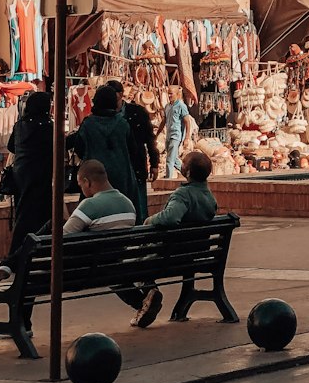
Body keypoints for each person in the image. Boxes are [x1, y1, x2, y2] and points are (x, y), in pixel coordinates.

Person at [65, 159, 162, 328]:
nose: (82, 189)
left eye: (81, 185)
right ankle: (144, 300)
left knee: (109, 271)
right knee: (114, 272)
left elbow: (64, 238)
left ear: (87, 182)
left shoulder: (89, 205)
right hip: (117, 261)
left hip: (89, 268)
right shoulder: (128, 203)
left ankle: (141, 303)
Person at [0, 90, 54, 283]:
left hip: (21, 177)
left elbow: (12, 147)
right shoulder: (48, 127)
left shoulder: (21, 125)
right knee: (42, 220)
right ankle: (16, 260)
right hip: (41, 178)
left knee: (24, 218)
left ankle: (15, 259)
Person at [66, 85, 137, 203]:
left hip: (94, 177)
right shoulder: (123, 124)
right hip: (121, 175)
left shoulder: (88, 124)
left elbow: (79, 148)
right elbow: (132, 150)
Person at [106, 80, 159, 223]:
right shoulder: (103, 116)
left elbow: (150, 139)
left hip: (135, 165)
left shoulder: (137, 112)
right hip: (114, 169)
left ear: (121, 94)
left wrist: (154, 163)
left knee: (140, 208)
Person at [147, 150, 219, 228]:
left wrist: (149, 220)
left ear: (188, 173)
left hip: (180, 239)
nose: (181, 165)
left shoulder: (183, 195)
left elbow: (170, 218)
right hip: (201, 238)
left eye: (184, 163)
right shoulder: (209, 197)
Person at [163, 84, 191, 179]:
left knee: (169, 160)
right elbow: (164, 121)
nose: (169, 96)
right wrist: (157, 134)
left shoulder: (181, 106)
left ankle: (168, 181)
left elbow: (187, 122)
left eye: (171, 94)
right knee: (174, 159)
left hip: (176, 136)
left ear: (177, 94)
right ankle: (189, 175)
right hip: (168, 136)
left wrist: (187, 138)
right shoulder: (167, 106)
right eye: (168, 94)